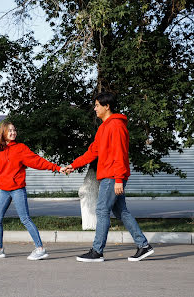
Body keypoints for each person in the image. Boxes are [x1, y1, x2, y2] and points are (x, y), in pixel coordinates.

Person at [65, 92, 154, 262]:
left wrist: (119, 179)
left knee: (101, 210)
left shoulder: (117, 126)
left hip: (113, 176)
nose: (95, 108)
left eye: (97, 105)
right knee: (121, 211)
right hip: (110, 175)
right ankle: (143, 246)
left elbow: (120, 154)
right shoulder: (103, 127)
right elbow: (93, 152)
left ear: (107, 106)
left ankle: (97, 251)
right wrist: (73, 165)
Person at [0, 121, 64, 260]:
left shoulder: (20, 148)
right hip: (4, 190)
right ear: (3, 133)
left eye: (14, 130)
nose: (13, 132)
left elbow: (37, 161)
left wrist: (56, 167)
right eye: (9, 130)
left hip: (17, 189)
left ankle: (40, 249)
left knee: (25, 219)